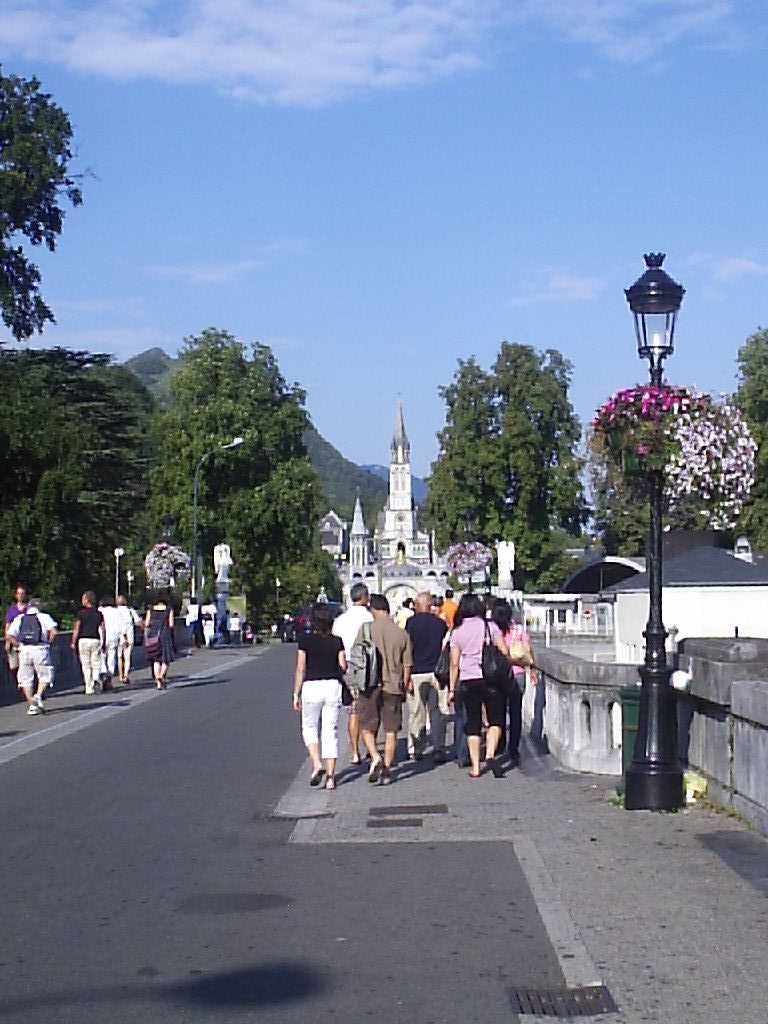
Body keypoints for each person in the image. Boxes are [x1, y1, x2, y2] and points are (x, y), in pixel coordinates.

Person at [448, 593, 510, 778]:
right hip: (491, 679)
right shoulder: (490, 627)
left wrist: (451, 689)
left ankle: (475, 767)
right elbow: (504, 651)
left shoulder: (457, 632)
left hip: (468, 679)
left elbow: (453, 663)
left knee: (473, 724)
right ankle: (490, 754)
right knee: (495, 719)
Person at [355, 593, 412, 785]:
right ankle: (386, 771)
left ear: (373, 610)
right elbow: (407, 665)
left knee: (365, 725)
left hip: (369, 684)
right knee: (391, 729)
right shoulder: (402, 633)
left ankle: (374, 755)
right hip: (393, 685)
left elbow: (356, 657)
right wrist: (404, 684)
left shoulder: (365, 630)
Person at [292, 604, 347, 790]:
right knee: (330, 731)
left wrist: (296, 693)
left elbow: (301, 668)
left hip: (312, 686)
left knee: (309, 727)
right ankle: (331, 778)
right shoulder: (336, 641)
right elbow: (343, 666)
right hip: (332, 686)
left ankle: (317, 764)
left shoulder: (305, 640)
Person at [404, 591, 449, 762]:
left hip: (416, 672)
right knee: (438, 711)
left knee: (417, 712)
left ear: (418, 605)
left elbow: (407, 649)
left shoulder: (411, 623)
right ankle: (438, 747)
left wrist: (405, 676)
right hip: (437, 672)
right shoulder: (440, 624)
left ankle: (416, 748)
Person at [332, 582, 373, 765]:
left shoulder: (340, 620)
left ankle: (355, 750)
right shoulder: (371, 618)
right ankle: (370, 748)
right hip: (369, 665)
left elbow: (335, 646)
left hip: (347, 665)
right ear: (365, 597)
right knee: (371, 709)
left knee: (353, 710)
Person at [491, 599, 533, 767]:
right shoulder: (519, 629)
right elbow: (527, 651)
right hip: (518, 673)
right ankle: (513, 748)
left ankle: (499, 744)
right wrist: (533, 669)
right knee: (515, 712)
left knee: (498, 710)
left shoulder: (492, 630)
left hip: (497, 675)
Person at [7, 596, 57, 714]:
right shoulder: (44, 617)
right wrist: (49, 643)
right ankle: (38, 695)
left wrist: (18, 645)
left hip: (24, 650)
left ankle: (31, 706)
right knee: (45, 675)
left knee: (25, 679)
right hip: (40, 648)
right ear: (39, 607)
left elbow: (9, 636)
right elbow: (54, 632)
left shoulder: (20, 618)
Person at [71, 591, 106, 695]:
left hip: (83, 640)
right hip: (95, 639)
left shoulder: (81, 613)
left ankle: (88, 687)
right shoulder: (98, 613)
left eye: (83, 599)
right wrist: (103, 640)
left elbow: (76, 628)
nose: (82, 601)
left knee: (85, 664)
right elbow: (103, 629)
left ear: (87, 600)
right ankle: (96, 678)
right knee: (96, 663)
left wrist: (73, 641)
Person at [144, 592, 175, 690]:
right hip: (165, 635)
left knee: (156, 659)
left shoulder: (151, 609)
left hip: (153, 635)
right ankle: (161, 676)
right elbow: (171, 624)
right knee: (165, 659)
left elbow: (147, 623)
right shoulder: (169, 609)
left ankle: (158, 682)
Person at [4, 584, 28, 689]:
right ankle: (18, 683)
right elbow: (7, 625)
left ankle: (24, 686)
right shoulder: (12, 610)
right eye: (19, 594)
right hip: (14, 640)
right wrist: (7, 641)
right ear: (16, 595)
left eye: (22, 594)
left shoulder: (29, 609)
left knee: (25, 665)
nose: (20, 596)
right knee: (13, 666)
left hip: (26, 641)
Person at [98, 596, 122, 689]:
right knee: (111, 656)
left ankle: (103, 671)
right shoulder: (116, 612)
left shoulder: (100, 611)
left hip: (102, 637)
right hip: (113, 637)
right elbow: (120, 626)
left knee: (102, 656)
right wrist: (122, 637)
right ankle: (110, 673)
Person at [115, 595, 139, 684]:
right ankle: (125, 675)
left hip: (119, 637)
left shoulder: (115, 611)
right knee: (127, 657)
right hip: (129, 636)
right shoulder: (130, 610)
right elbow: (137, 621)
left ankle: (120, 675)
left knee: (119, 657)